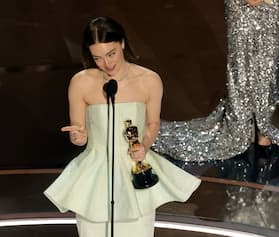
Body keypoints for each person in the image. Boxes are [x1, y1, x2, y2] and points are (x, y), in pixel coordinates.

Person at [44, 16, 201, 237]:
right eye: (97, 58)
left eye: (111, 54)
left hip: (134, 167)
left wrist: (144, 146)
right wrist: (78, 137)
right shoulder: (81, 82)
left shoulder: (149, 80)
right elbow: (79, 132)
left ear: (123, 44)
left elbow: (153, 123)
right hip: (96, 171)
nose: (107, 64)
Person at [153, 0, 279, 183]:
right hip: (242, 4)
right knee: (241, 67)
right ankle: (249, 125)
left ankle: (265, 130)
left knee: (270, 63)